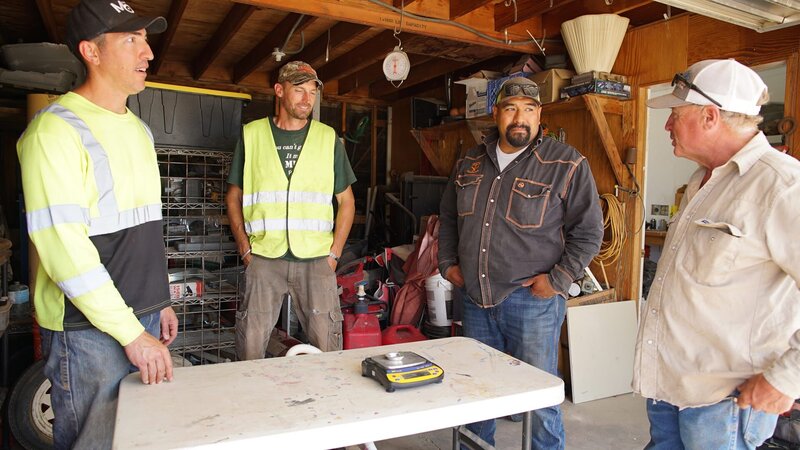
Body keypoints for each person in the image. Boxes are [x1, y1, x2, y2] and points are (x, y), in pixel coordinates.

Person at [16, 1, 178, 448]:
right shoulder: (55, 132)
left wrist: (158, 300)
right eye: (131, 40)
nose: (147, 53)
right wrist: (131, 334)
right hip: (88, 331)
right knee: (97, 442)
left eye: (147, 40)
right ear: (91, 51)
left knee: (143, 438)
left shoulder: (139, 131)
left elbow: (144, 227)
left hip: (140, 317)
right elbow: (65, 250)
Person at [634, 58, 800, 449]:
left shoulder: (782, 186)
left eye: (675, 114)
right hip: (670, 389)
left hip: (726, 405)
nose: (666, 126)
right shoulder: (701, 183)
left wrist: (786, 379)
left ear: (710, 116)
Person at [438, 77, 604, 449]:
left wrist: (558, 280)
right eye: (511, 108)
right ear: (496, 113)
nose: (520, 118)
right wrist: (447, 262)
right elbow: (447, 216)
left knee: (539, 396)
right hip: (476, 299)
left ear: (540, 114)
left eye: (529, 109)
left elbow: (590, 232)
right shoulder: (469, 161)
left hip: (533, 302)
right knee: (476, 392)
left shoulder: (566, 163)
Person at [226, 61, 356, 359]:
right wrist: (245, 249)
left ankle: (325, 404)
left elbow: (346, 201)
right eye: (299, 90)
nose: (307, 99)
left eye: (312, 92)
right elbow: (233, 197)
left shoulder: (327, 138)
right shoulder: (252, 135)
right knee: (250, 347)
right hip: (264, 259)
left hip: (316, 261)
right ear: (279, 90)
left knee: (328, 349)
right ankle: (255, 405)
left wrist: (334, 254)